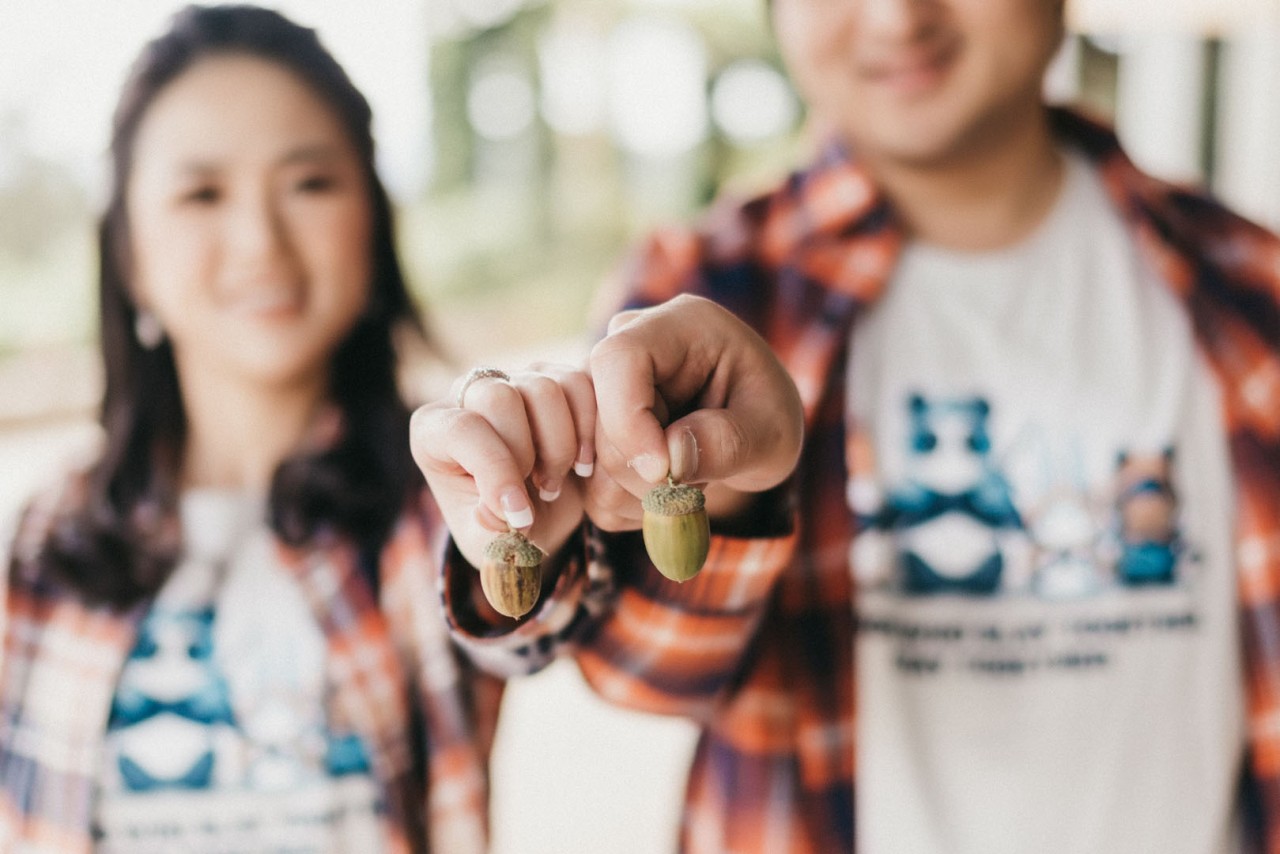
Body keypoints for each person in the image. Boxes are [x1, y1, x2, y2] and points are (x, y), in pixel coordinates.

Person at [413, 0, 1280, 851]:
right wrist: (699, 500)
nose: (897, 18)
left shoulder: (1253, 286)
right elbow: (649, 678)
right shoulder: (699, 294)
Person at [0, 7, 502, 852]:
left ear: (374, 222)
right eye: (202, 194)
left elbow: (566, 617)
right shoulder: (45, 541)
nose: (259, 241)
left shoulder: (439, 505)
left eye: (309, 184)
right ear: (130, 256)